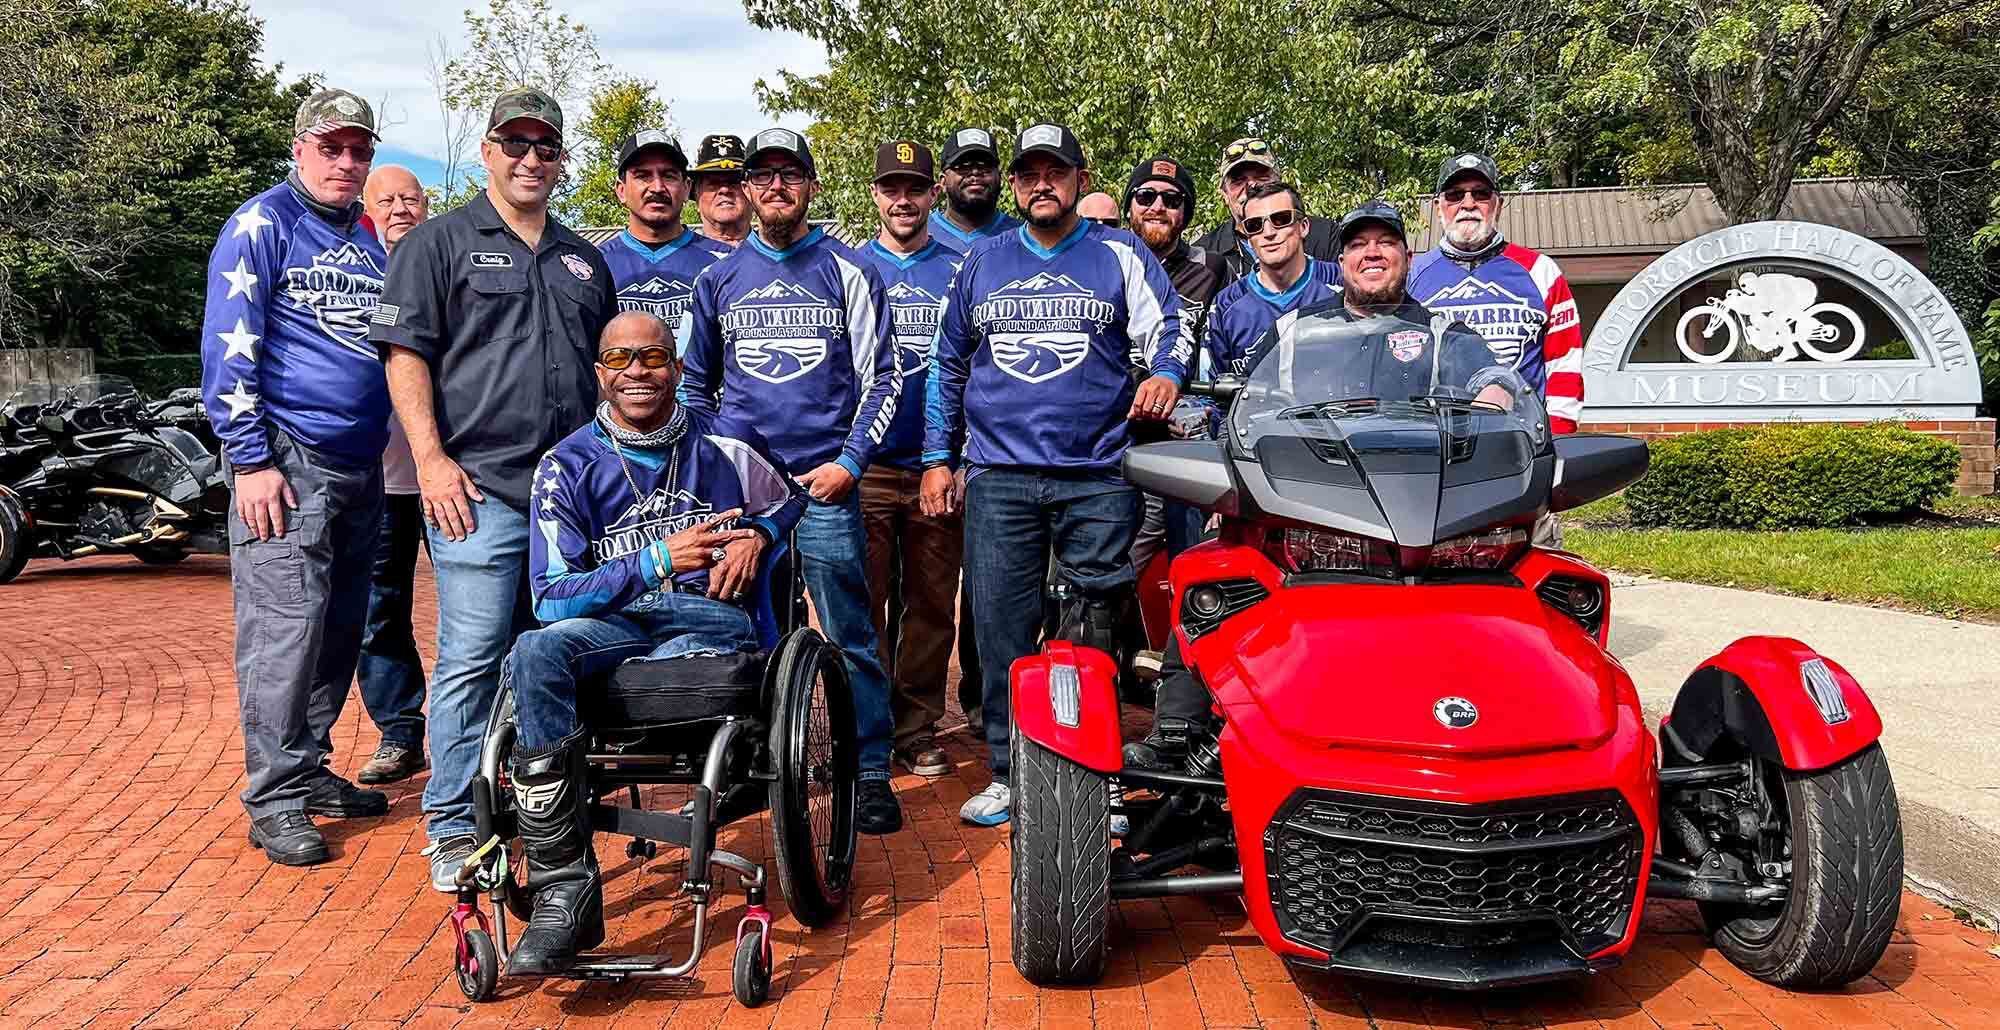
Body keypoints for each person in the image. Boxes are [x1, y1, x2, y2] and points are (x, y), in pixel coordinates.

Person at [1125, 199, 1506, 773]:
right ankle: (1178, 731)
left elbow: (1494, 380)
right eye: (1358, 244)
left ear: (1406, 255)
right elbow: (1240, 400)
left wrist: (1495, 400)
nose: (1372, 253)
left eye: (1386, 243)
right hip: (1317, 506)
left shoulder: (1445, 334)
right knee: (1207, 573)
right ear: (1344, 259)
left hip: (1426, 512)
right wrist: (1228, 473)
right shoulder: (1298, 331)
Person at [500, 311, 803, 975]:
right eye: (620, 359)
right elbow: (550, 595)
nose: (638, 371)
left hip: (709, 621)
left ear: (679, 368)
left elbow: (789, 502)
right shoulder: (567, 464)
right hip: (617, 624)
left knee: (685, 667)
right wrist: (655, 559)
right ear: (600, 373)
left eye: (652, 357)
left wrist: (759, 537)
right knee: (534, 652)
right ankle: (564, 891)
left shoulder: (727, 441)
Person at [369, 86, 618, 891]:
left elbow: (610, 379)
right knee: (472, 658)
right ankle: (450, 826)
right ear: (487, 152)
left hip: (570, 502)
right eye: (516, 143)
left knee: (549, 653)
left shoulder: (586, 258)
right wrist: (431, 460)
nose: (531, 159)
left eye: (546, 147)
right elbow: (405, 357)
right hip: (478, 493)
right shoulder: (438, 244)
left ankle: (535, 800)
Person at [921, 123, 1186, 826]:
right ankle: (1012, 773)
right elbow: (948, 365)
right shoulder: (982, 261)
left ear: (1078, 177)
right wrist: (939, 459)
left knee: (1093, 629)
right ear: (1014, 184)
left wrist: (1163, 372)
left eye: (1057, 171)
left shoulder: (1118, 253)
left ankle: (1095, 778)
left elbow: (1170, 328)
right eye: (1030, 173)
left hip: (1096, 475)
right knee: (1002, 628)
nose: (1044, 183)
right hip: (1000, 477)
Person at [678, 128, 907, 835]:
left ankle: (866, 769)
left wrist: (849, 462)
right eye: (763, 174)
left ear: (810, 185)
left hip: (824, 489)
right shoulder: (716, 280)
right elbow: (692, 384)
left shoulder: (848, 270)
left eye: (790, 174)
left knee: (847, 632)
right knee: (744, 628)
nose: (776, 186)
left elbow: (885, 377)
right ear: (745, 188)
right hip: (746, 497)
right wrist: (722, 464)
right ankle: (750, 763)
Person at [201, 88, 393, 866]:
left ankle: (308, 767)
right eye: (332, 147)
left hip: (360, 465)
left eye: (359, 150)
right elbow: (228, 350)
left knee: (339, 628)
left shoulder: (370, 239)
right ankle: (274, 795)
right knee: (283, 630)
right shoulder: (261, 226)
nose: (347, 162)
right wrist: (249, 458)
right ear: (299, 148)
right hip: (286, 461)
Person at [855, 141, 962, 779]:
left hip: (935, 464)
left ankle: (915, 727)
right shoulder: (849, 267)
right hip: (867, 462)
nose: (904, 200)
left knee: (928, 605)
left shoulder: (960, 268)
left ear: (932, 195)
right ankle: (864, 730)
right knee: (862, 605)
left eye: (915, 188)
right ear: (876, 195)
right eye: (891, 188)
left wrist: (945, 457)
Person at [1408, 152, 1583, 433]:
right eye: (1455, 195)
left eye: (1480, 194)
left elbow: (1565, 364)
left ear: (1498, 205)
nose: (1468, 204)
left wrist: (1558, 440)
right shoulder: (1412, 274)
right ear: (1438, 207)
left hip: (1521, 441)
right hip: (1433, 441)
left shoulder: (1541, 271)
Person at [355, 164, 433, 786]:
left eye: (411, 197)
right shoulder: (352, 274)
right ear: (366, 207)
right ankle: (400, 732)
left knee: (483, 606)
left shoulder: (444, 264)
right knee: (379, 609)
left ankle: (500, 730)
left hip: (450, 474)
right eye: (386, 200)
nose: (400, 208)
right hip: (376, 481)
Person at [1202, 182, 1342, 377]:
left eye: (1281, 219)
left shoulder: (1343, 284)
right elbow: (1212, 394)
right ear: (1249, 237)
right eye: (1255, 225)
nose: (1268, 233)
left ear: (1303, 227)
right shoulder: (1225, 306)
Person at [599, 129, 731, 326]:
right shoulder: (596, 263)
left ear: (687, 188)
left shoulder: (726, 262)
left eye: (668, 176)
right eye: (643, 176)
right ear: (621, 190)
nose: (657, 187)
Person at [1194, 137, 1339, 284]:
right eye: (1238, 181)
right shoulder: (1204, 255)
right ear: (1224, 194)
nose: (1251, 185)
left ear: (1279, 181)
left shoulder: (1325, 234)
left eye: (1262, 176)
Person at [929, 127, 1021, 255]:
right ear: (943, 182)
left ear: (1000, 177)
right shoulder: (920, 234)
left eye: (985, 166)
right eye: (963, 166)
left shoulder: (1024, 237)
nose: (975, 173)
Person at [691, 133, 751, 247]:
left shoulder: (776, 254)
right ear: (696, 196)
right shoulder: (676, 258)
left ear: (751, 193)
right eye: (713, 183)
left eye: (733, 182)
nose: (724, 189)